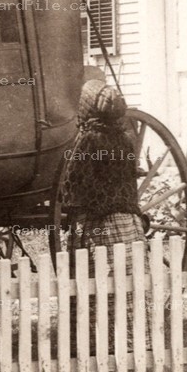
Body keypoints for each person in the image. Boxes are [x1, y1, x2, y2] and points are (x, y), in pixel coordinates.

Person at [62, 79, 146, 248]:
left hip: (97, 221)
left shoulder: (88, 139)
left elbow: (75, 178)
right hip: (127, 220)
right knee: (129, 268)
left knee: (99, 269)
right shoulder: (125, 139)